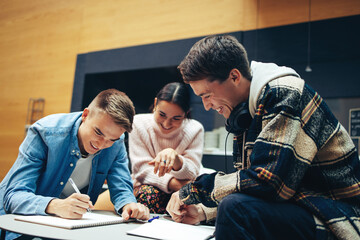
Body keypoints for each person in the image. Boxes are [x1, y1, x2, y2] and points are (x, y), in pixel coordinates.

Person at [166, 35, 360, 240]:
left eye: (207, 95)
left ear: (234, 76)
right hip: (304, 207)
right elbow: (251, 188)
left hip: (338, 217)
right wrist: (205, 212)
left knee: (235, 208)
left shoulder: (284, 93)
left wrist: (193, 190)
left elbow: (270, 184)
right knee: (233, 206)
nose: (206, 106)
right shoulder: (246, 112)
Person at [0, 89, 150, 240]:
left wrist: (129, 205)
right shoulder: (45, 133)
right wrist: (56, 206)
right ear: (85, 115)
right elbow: (13, 196)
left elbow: (121, 188)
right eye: (98, 132)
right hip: (21, 225)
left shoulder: (116, 143)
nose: (101, 144)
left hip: (68, 228)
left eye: (112, 139)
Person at [95, 82, 205, 214]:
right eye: (162, 115)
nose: (166, 124)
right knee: (149, 196)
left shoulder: (195, 129)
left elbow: (193, 172)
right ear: (155, 104)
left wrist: (177, 160)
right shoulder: (139, 124)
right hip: (150, 186)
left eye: (176, 118)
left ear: (186, 113)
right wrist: (178, 185)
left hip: (182, 190)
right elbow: (142, 171)